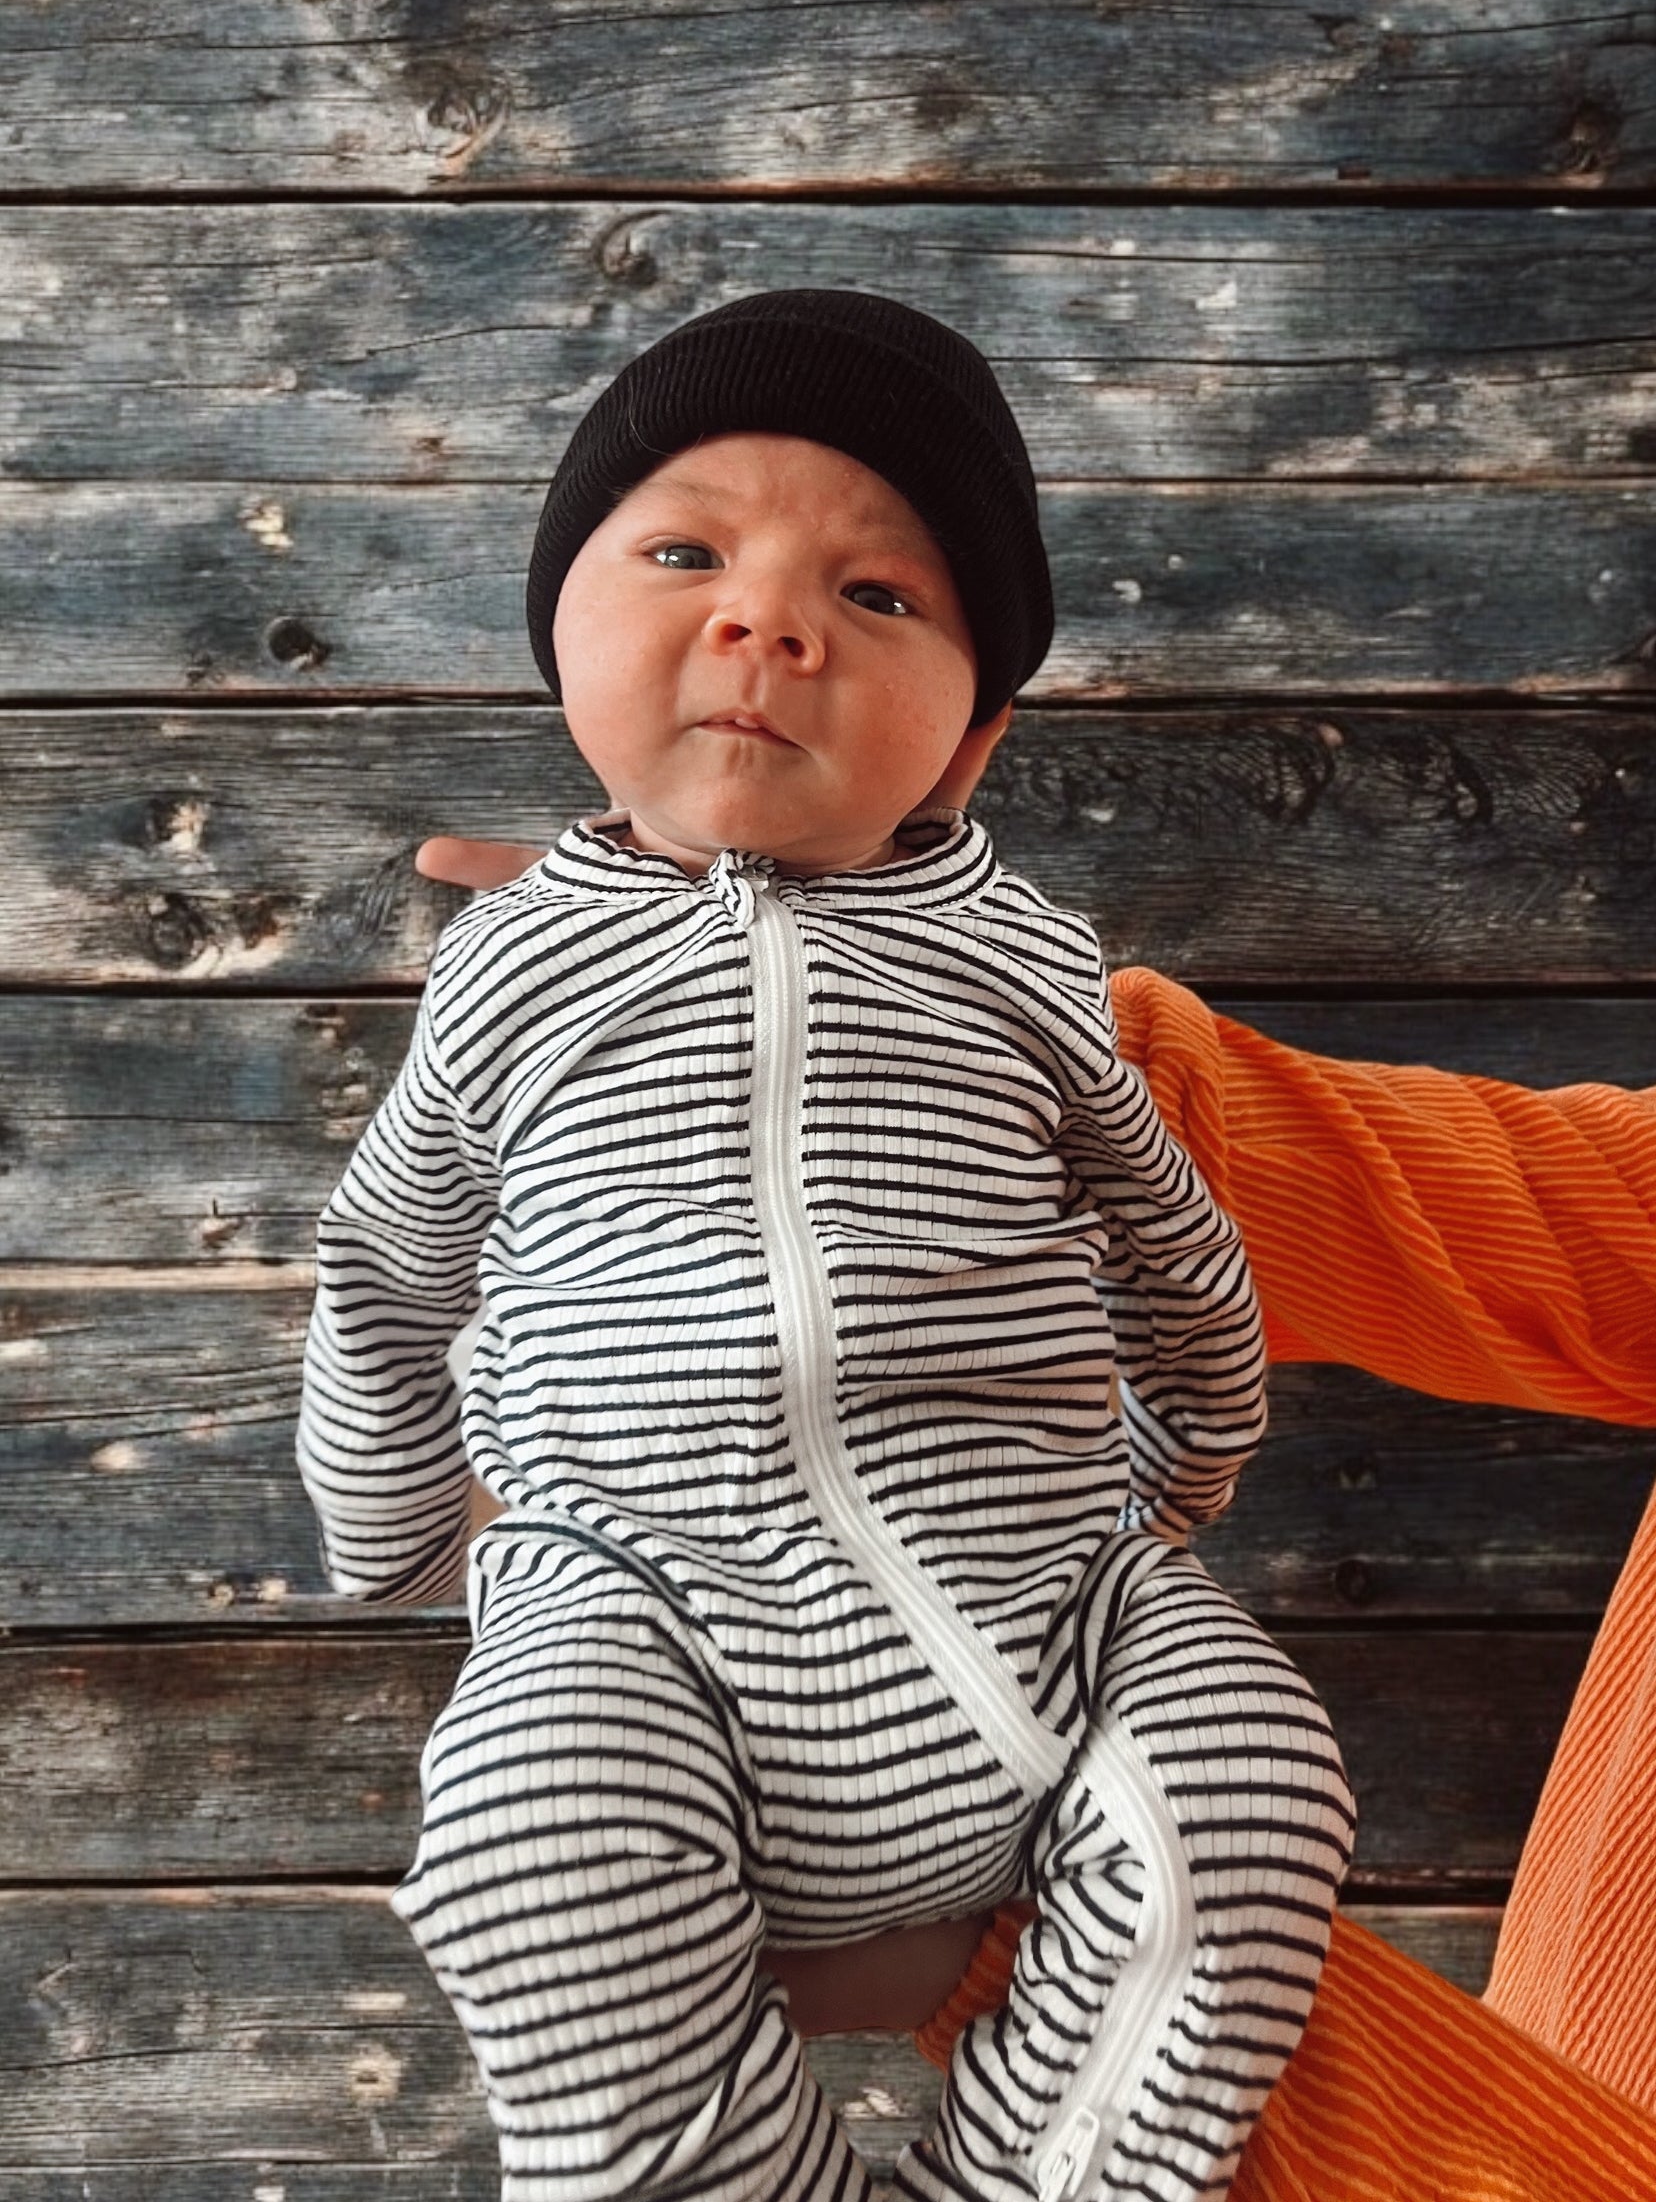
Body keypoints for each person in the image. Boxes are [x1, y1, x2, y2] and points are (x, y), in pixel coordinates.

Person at [295, 288, 1361, 2202]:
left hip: (1054, 1601)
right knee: (517, 1837)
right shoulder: (517, 970)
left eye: (878, 600)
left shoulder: (1028, 961)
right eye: (686, 550)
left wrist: (1182, 1469)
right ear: (559, 635)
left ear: (974, 740)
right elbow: (389, 1256)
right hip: (644, 1607)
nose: (767, 621)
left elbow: (1166, 1233)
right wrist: (383, 1515)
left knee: (1263, 1786)